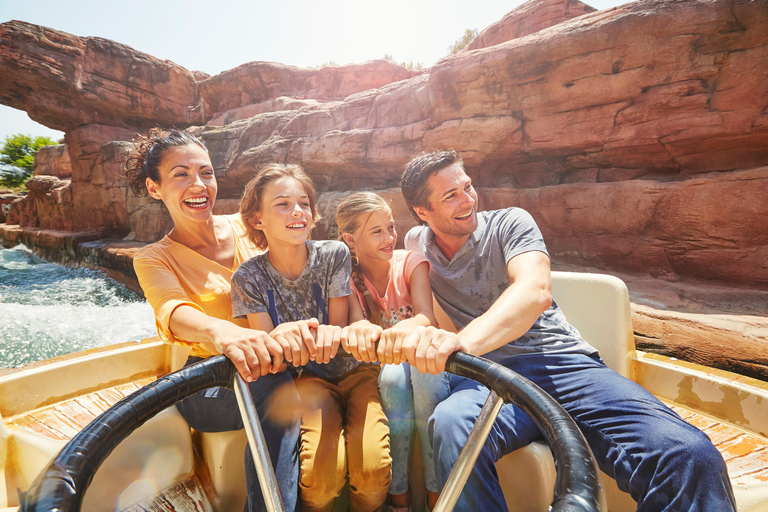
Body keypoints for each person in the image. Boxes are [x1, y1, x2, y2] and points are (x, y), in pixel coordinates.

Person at [398, 150, 736, 512]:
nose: (468, 200)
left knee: (687, 454)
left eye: (467, 186)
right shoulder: (416, 244)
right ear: (422, 212)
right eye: (450, 195)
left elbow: (535, 292)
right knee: (450, 425)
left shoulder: (510, 222)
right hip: (486, 379)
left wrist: (462, 342)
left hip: (560, 364)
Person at [127, 129, 300, 512]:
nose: (199, 184)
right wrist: (223, 332)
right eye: (181, 175)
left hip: (280, 355)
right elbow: (173, 311)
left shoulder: (248, 227)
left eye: (206, 172)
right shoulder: (154, 258)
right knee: (274, 384)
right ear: (154, 188)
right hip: (209, 380)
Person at [229, 164, 391, 512]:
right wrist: (284, 342)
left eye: (304, 203)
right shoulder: (248, 278)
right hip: (306, 381)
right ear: (257, 219)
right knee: (318, 483)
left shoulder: (333, 254)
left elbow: (332, 334)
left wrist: (294, 338)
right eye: (283, 204)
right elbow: (269, 349)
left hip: (355, 371)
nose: (298, 211)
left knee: (374, 470)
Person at [336, 191, 450, 512]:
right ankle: (398, 497)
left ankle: (435, 493)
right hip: (386, 368)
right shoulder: (347, 280)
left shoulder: (410, 262)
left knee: (422, 376)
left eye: (391, 227)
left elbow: (426, 317)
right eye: (377, 231)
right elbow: (359, 326)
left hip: (424, 358)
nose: (389, 237)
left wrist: (394, 334)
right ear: (350, 239)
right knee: (391, 380)